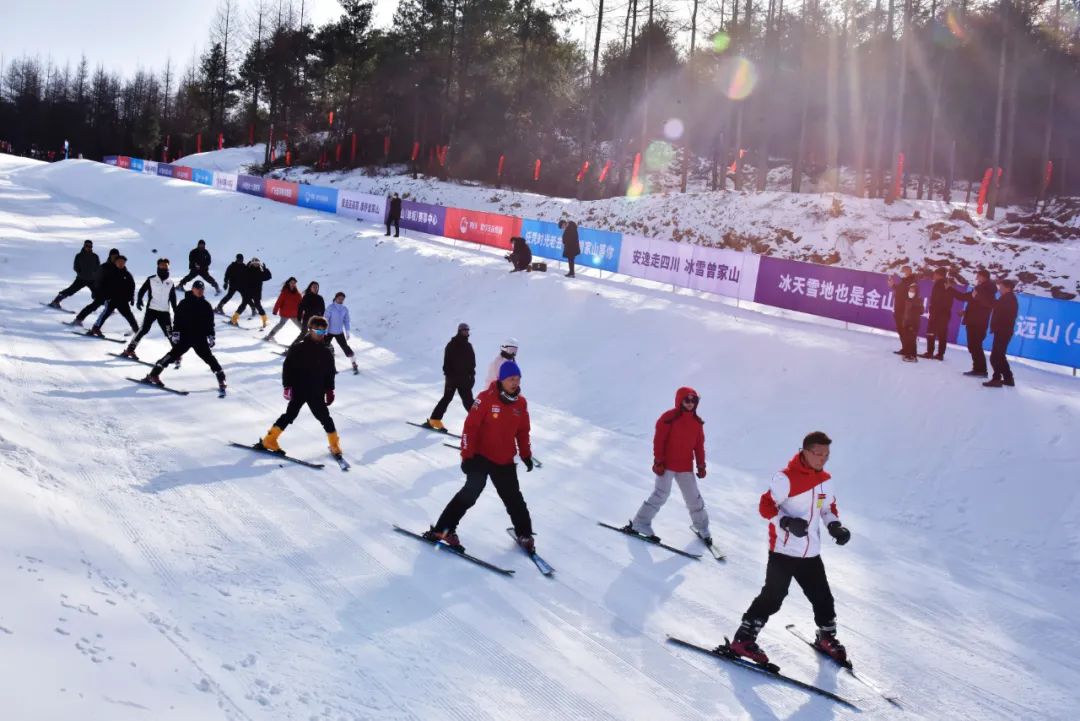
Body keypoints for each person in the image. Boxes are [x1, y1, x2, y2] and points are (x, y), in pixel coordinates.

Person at [727, 431, 851, 666]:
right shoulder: (786, 478)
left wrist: (834, 526)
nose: (822, 459)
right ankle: (743, 639)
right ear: (805, 451)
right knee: (773, 596)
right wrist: (785, 522)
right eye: (818, 454)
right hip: (783, 550)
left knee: (823, 598)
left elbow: (826, 508)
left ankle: (826, 637)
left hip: (810, 552)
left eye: (826, 455)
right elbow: (765, 507)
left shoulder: (826, 479)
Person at [423, 360, 535, 551]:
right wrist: (466, 455)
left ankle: (524, 534)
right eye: (511, 379)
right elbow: (470, 428)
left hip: (504, 459)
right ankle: (443, 530)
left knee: (513, 498)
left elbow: (523, 431)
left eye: (518, 379)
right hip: (480, 456)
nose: (515, 382)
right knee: (471, 491)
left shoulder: (521, 403)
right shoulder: (485, 398)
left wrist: (525, 454)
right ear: (501, 379)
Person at [623, 387, 711, 543]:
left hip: (685, 466)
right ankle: (639, 523)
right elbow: (659, 440)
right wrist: (658, 461)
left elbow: (699, 446)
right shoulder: (668, 418)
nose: (690, 403)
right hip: (667, 465)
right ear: (680, 400)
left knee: (693, 498)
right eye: (687, 400)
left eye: (694, 400)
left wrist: (701, 465)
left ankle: (702, 526)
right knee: (661, 494)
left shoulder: (697, 423)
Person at [257, 315, 341, 458]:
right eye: (318, 331)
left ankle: (334, 445)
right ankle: (269, 440)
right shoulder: (298, 348)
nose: (321, 335)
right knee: (290, 415)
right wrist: (287, 386)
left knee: (325, 418)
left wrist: (330, 389)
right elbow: (288, 368)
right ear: (310, 330)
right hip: (299, 389)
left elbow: (330, 372)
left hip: (316, 392)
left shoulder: (327, 351)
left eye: (323, 332)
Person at [142, 281, 227, 393]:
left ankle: (221, 379)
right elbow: (177, 320)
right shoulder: (184, 303)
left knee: (210, 359)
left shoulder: (206, 305)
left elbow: (210, 323)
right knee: (171, 356)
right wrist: (176, 333)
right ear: (192, 289)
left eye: (201, 289)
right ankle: (153, 375)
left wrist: (211, 336)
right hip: (185, 337)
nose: (200, 291)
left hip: (199, 338)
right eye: (197, 289)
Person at [422, 322, 476, 431]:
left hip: (465, 380)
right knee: (446, 398)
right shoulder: (452, 345)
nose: (466, 332)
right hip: (453, 379)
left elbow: (472, 364)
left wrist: (471, 377)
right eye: (464, 330)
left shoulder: (468, 346)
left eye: (467, 330)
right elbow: (446, 364)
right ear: (459, 331)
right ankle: (434, 420)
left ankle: (480, 426)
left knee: (469, 402)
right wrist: (450, 377)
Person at [122, 257, 178, 359]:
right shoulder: (151, 279)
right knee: (143, 330)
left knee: (169, 333)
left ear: (168, 267)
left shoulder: (170, 283)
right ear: (158, 266)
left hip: (164, 312)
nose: (164, 267)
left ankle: (177, 354)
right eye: (161, 265)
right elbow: (142, 290)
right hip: (152, 309)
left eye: (166, 265)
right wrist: (139, 300)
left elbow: (173, 299)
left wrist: (176, 311)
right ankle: (130, 350)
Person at [951, 269, 997, 377]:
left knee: (975, 346)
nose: (976, 279)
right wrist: (966, 312)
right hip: (973, 321)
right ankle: (978, 369)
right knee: (973, 346)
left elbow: (987, 305)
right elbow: (964, 297)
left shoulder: (988, 290)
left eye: (978, 276)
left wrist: (977, 296)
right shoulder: (979, 289)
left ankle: (981, 370)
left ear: (983, 277)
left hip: (978, 323)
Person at [88, 254, 139, 337]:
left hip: (123, 300)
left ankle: (136, 330)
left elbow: (132, 287)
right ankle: (95, 328)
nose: (121, 264)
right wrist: (103, 295)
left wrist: (132, 298)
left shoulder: (127, 274)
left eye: (123, 262)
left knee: (129, 315)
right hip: (111, 299)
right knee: (105, 314)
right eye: (119, 262)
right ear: (116, 262)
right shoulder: (110, 273)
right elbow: (102, 284)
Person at [72, 248, 120, 326]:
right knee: (94, 306)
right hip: (102, 292)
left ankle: (96, 327)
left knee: (111, 308)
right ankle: (79, 320)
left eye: (116, 256)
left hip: (111, 293)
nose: (114, 257)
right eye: (113, 255)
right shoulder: (105, 266)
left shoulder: (119, 267)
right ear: (110, 256)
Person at [984, 278, 1018, 388]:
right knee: (1000, 356)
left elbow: (997, 307)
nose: (1000, 289)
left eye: (1001, 287)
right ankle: (1008, 378)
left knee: (995, 356)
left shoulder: (1009, 299)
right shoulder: (1007, 298)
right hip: (1003, 331)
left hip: (1003, 331)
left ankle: (997, 379)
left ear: (1008, 288)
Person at [49, 239, 99, 307]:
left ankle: (108, 308)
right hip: (81, 279)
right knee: (70, 290)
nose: (88, 247)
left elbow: (98, 267)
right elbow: (75, 267)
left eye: (90, 246)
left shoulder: (95, 256)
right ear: (84, 246)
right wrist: (80, 273)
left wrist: (95, 274)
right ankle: (55, 302)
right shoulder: (79, 256)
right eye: (87, 246)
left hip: (92, 280)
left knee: (98, 293)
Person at [229, 258, 272, 328]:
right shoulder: (248, 270)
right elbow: (242, 274)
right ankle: (233, 319)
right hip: (248, 291)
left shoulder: (260, 272)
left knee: (258, 306)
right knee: (243, 304)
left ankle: (265, 321)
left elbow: (269, 277)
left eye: (257, 263)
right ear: (252, 263)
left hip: (257, 292)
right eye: (254, 263)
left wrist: (265, 269)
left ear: (259, 264)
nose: (256, 264)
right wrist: (246, 267)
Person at [921, 267, 953, 360]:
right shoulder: (947, 284)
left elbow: (937, 300)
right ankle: (940, 354)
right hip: (945, 314)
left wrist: (933, 313)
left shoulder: (939, 284)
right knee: (942, 334)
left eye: (935, 274)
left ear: (939, 275)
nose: (933, 276)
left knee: (931, 332)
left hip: (937, 313)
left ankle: (930, 352)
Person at [325, 292, 358, 374]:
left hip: (339, 332)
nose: (341, 300)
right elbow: (325, 319)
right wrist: (325, 331)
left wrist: (347, 331)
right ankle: (324, 365)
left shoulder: (344, 309)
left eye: (342, 299)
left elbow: (346, 321)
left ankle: (354, 363)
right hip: (329, 332)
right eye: (339, 298)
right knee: (323, 348)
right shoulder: (330, 308)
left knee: (346, 347)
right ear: (335, 298)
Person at [887, 266, 917, 354]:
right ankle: (905, 348)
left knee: (905, 330)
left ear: (909, 272)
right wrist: (893, 286)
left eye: (904, 271)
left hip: (905, 311)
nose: (902, 273)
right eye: (902, 271)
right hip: (899, 309)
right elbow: (900, 291)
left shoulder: (912, 282)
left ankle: (909, 350)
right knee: (901, 330)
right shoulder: (904, 282)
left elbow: (909, 296)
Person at [265, 277, 303, 342]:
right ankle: (269, 336)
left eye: (294, 283)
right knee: (280, 325)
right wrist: (275, 310)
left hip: (294, 314)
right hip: (285, 313)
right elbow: (279, 301)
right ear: (288, 283)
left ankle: (309, 338)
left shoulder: (297, 294)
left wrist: (302, 313)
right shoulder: (284, 292)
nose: (293, 284)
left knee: (301, 327)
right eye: (292, 282)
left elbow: (301, 304)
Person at [899, 282, 923, 362]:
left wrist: (912, 324)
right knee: (907, 338)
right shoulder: (908, 299)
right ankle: (910, 355)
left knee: (911, 339)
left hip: (913, 323)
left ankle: (911, 356)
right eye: (910, 289)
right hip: (906, 322)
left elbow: (921, 311)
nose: (911, 291)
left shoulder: (918, 300)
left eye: (913, 290)